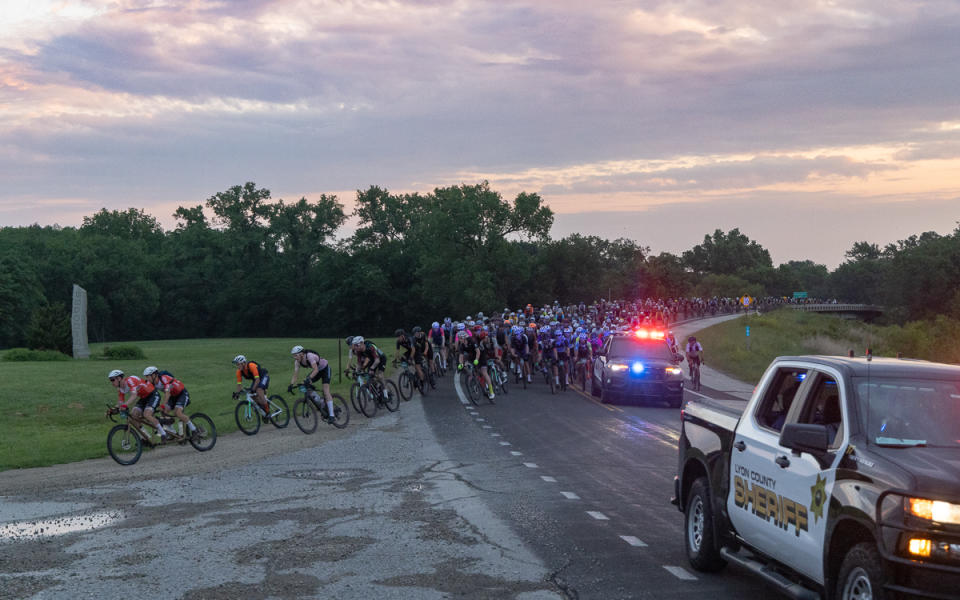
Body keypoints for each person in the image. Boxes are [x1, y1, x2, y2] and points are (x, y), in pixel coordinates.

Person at [109, 368, 170, 444]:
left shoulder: (130, 381)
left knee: (147, 414)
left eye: (112, 380)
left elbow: (134, 395)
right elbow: (120, 402)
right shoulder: (120, 388)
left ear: (119, 378)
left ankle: (163, 433)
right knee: (133, 416)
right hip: (143, 398)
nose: (111, 382)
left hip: (152, 395)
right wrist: (114, 409)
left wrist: (125, 405)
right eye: (110, 380)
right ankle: (145, 437)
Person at [142, 366, 198, 440]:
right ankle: (173, 433)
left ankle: (194, 430)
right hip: (172, 396)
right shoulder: (153, 383)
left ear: (154, 375)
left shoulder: (164, 378)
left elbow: (167, 394)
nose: (147, 379)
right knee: (164, 412)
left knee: (178, 413)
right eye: (146, 377)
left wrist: (162, 405)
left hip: (181, 394)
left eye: (148, 376)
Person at [289, 345, 336, 423]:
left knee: (325, 390)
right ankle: (321, 402)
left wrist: (309, 378)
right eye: (293, 356)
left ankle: (332, 415)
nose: (294, 357)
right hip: (317, 371)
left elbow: (316, 370)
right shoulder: (297, 362)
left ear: (301, 354)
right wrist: (291, 385)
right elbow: (295, 374)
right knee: (305, 385)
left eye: (295, 355)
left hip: (325, 369)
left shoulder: (310, 356)